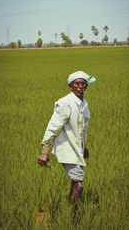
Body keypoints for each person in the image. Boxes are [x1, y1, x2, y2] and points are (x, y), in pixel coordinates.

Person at [37, 71, 96, 201]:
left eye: (83, 83)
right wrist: (45, 152)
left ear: (87, 85)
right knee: (79, 183)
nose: (81, 86)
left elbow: (81, 129)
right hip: (67, 149)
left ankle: (69, 209)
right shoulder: (65, 103)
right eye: (77, 83)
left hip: (77, 149)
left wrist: (84, 147)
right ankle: (76, 217)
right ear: (71, 86)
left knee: (75, 184)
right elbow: (53, 127)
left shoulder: (83, 103)